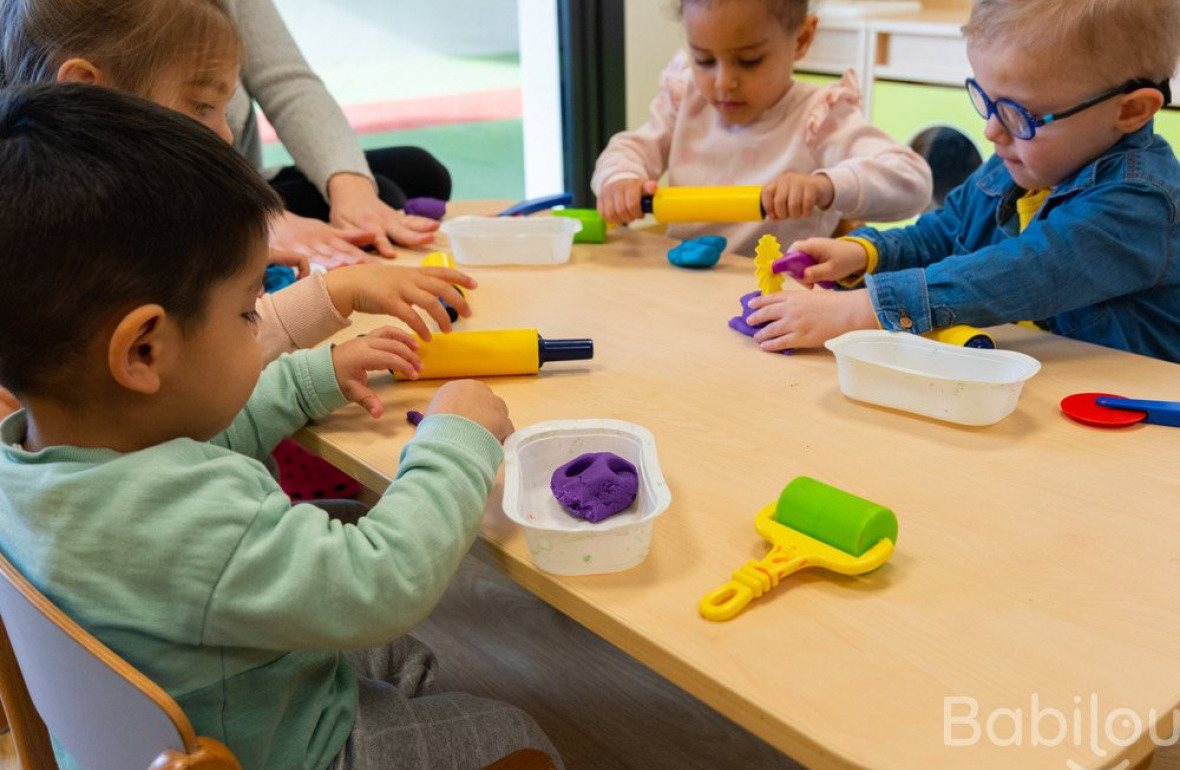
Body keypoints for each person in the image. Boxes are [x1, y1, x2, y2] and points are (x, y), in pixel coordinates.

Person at [0, 82, 561, 770]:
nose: (260, 326)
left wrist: (311, 376)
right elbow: (383, 581)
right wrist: (456, 439)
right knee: (513, 731)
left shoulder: (38, 458)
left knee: (369, 595)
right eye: (245, 311)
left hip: (172, 725)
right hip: (292, 752)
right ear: (143, 351)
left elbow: (186, 454)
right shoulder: (198, 527)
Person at [0, 0, 477, 420]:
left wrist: (324, 345)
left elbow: (179, 388)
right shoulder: (104, 259)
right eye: (203, 105)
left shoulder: (116, 224)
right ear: (89, 87)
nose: (227, 137)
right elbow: (195, 386)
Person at [746, 0, 1180, 362]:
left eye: (1019, 114)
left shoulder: (1140, 203)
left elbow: (1023, 271)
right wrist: (865, 253)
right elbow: (944, 234)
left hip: (1126, 426)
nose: (993, 131)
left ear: (1130, 111)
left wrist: (860, 309)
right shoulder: (1021, 160)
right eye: (987, 102)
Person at [591, 0, 932, 256]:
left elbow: (913, 179)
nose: (724, 83)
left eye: (749, 60)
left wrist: (825, 187)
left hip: (779, 303)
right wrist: (619, 180)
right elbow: (629, 148)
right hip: (684, 283)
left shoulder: (819, 118)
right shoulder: (686, 99)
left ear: (802, 39)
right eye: (704, 60)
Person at [223, 0, 446, 266]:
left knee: (419, 171)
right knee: (387, 194)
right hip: (190, 201)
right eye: (202, 107)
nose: (226, 136)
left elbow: (285, 81)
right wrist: (257, 219)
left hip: (240, 184)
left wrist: (352, 188)